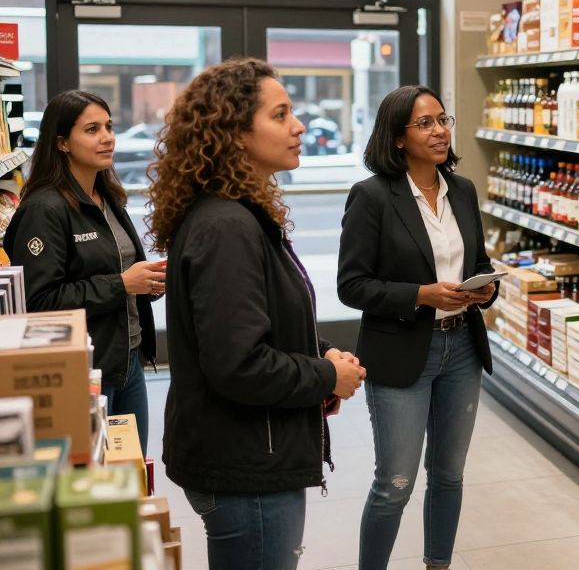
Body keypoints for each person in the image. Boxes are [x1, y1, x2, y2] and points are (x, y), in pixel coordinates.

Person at [149, 58, 365, 570]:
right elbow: (239, 363)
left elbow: (257, 321)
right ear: (236, 133)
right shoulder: (226, 225)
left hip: (245, 451)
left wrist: (319, 359)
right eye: (280, 114)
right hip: (244, 466)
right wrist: (325, 375)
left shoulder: (237, 212)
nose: (299, 126)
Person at [338, 85, 498, 570]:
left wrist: (485, 290)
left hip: (462, 350)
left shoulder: (463, 190)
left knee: (449, 474)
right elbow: (352, 285)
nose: (439, 131)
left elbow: (481, 261)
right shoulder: (372, 197)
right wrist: (421, 295)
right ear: (398, 137)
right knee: (395, 482)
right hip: (403, 350)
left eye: (443, 119)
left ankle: (438, 564)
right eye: (424, 123)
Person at [4, 90, 163, 456]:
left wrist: (147, 282)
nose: (107, 137)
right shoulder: (44, 210)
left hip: (129, 362)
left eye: (109, 126)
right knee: (98, 475)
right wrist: (122, 284)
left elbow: (118, 274)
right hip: (84, 373)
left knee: (132, 471)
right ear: (61, 142)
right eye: (92, 129)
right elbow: (40, 303)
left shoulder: (107, 198)